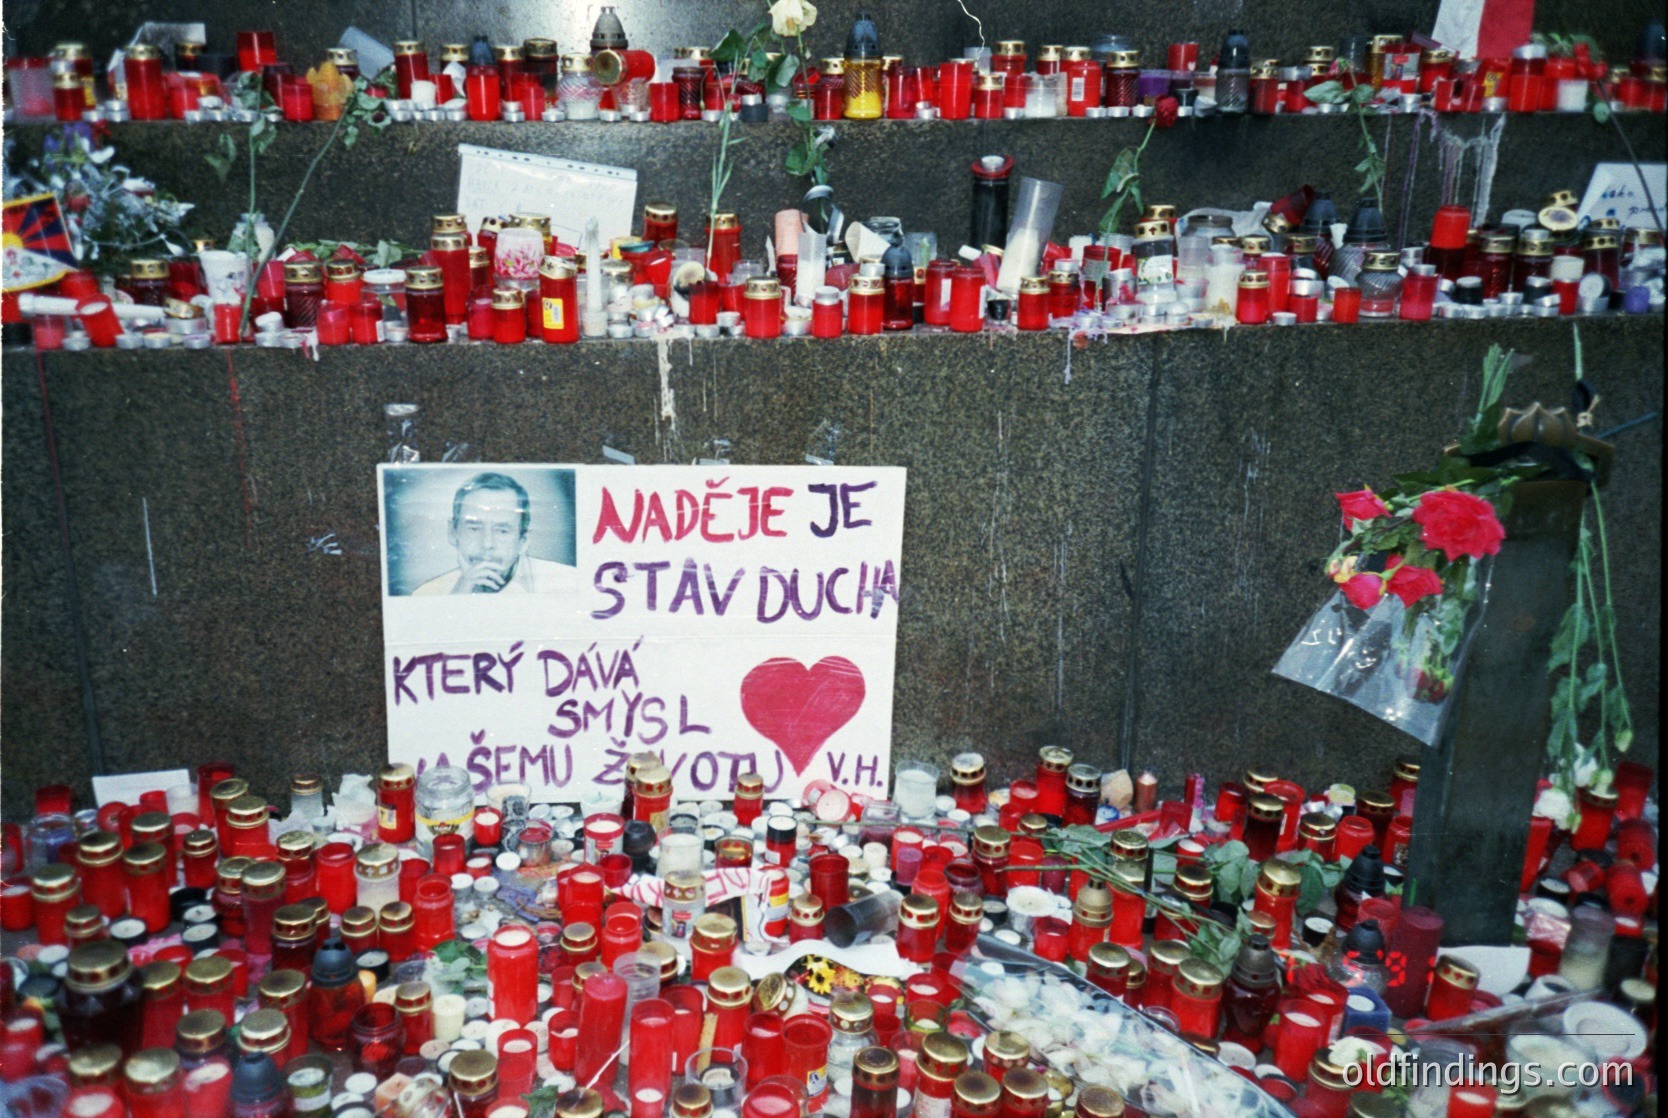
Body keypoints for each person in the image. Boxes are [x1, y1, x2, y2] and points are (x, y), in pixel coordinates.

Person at [411, 472, 576, 595]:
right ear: (453, 533)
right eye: (474, 528)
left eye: (502, 531)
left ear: (523, 541)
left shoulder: (570, 584)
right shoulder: (426, 594)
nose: (487, 544)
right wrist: (458, 598)